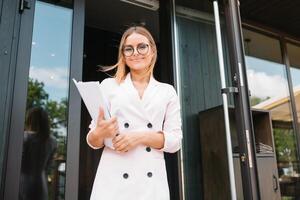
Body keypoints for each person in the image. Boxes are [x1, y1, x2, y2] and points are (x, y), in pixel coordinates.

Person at [86, 26, 182, 200]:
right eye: (128, 49)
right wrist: (100, 132)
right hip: (113, 181)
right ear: (123, 54)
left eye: (142, 46)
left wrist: (138, 137)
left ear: (152, 50)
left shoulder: (167, 91)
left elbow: (175, 142)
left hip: (151, 186)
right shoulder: (108, 86)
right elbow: (93, 141)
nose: (135, 53)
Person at [19, 107, 57, 200]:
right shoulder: (52, 141)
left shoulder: (24, 137)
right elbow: (49, 165)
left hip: (22, 183)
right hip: (41, 184)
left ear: (30, 120)